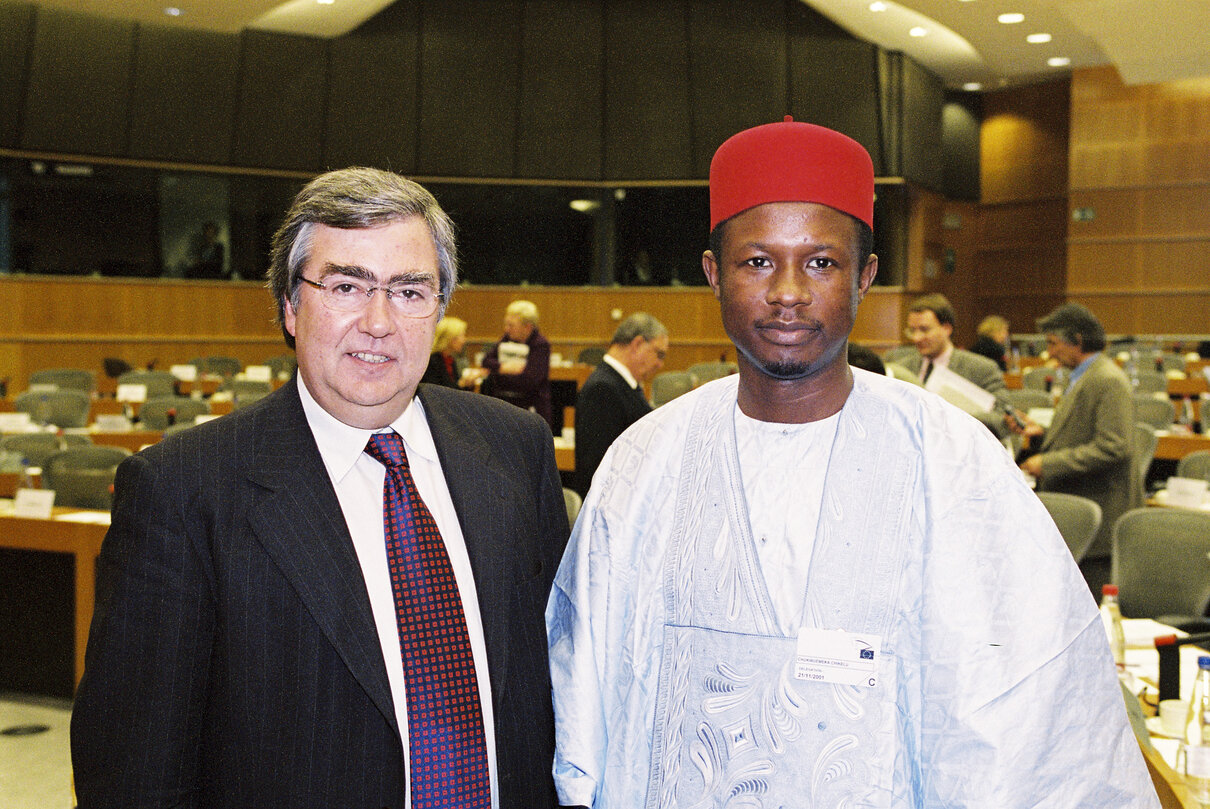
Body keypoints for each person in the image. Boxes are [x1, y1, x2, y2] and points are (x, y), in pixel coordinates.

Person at [546, 119, 1158, 808]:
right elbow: (586, 698)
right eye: (756, 261)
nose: (787, 291)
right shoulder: (644, 465)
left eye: (820, 262)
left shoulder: (952, 464)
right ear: (713, 274)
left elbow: (1024, 721)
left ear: (865, 275)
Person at [71, 167, 568, 809]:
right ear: (289, 304)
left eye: (410, 290)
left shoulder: (514, 449)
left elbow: (554, 687)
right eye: (346, 285)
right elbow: (133, 775)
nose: (380, 321)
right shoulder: (182, 492)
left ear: (441, 307)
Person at [1016, 303, 1139, 595]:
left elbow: (1114, 446)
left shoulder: (1107, 380)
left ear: (1078, 341)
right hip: (1083, 505)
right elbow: (1081, 433)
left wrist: (1047, 463)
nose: (1050, 352)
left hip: (1101, 515)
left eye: (1053, 343)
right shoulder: (1085, 376)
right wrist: (1042, 434)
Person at [571, 312, 668, 496]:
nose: (660, 364)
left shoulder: (621, 385)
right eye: (659, 354)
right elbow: (595, 468)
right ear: (638, 344)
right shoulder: (602, 389)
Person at [897, 293, 1010, 436]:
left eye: (924, 330)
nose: (916, 338)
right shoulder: (901, 368)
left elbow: (1002, 418)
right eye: (912, 331)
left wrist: (953, 418)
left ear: (946, 328)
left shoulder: (981, 368)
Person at [482, 299, 554, 430]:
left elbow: (530, 381)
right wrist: (503, 367)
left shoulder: (540, 345)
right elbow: (486, 361)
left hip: (531, 409)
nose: (506, 329)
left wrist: (499, 375)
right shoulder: (507, 339)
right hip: (504, 405)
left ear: (527, 327)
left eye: (511, 325)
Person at [422, 315, 469, 388]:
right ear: (450, 338)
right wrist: (461, 384)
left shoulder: (450, 359)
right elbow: (435, 391)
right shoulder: (432, 362)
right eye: (461, 336)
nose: (464, 340)